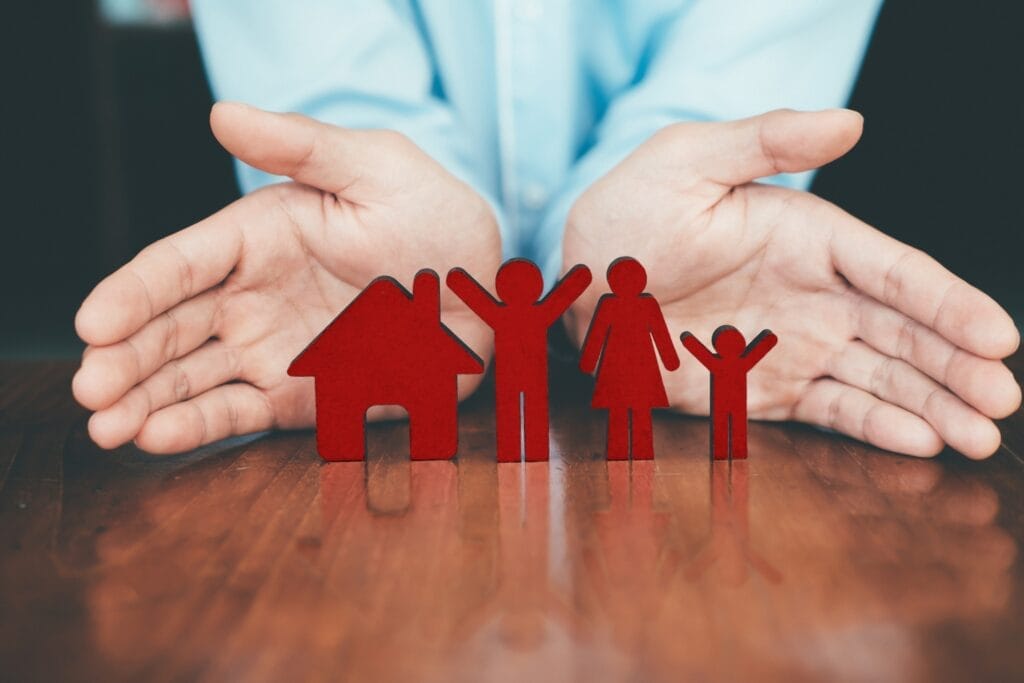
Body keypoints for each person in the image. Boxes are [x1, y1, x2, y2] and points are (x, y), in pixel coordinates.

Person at [71, 2, 1021, 458]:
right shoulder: (528, 305)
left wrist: (626, 255)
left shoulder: (590, 309)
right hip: (374, 317)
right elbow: (331, 94)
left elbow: (732, 87)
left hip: (685, 341)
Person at [447, 260, 591, 462]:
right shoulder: (540, 313)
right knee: (535, 412)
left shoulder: (500, 315)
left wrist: (457, 281)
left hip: (508, 374)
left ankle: (510, 452)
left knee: (509, 415)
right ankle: (536, 451)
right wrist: (581, 278)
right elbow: (563, 296)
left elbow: (478, 301)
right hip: (535, 374)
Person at [579, 258, 679, 460]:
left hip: (636, 366)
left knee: (637, 410)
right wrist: (670, 360)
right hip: (621, 367)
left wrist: (670, 359)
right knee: (622, 411)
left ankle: (637, 451)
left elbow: (660, 333)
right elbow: (597, 334)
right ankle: (620, 452)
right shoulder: (610, 305)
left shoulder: (646, 304)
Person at [680, 327, 778, 460]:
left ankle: (728, 452)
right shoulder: (741, 362)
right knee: (734, 426)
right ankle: (732, 452)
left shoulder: (719, 363)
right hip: (733, 402)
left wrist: (688, 340)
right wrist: (769, 339)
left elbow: (697, 350)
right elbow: (762, 347)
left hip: (724, 402)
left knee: (725, 425)